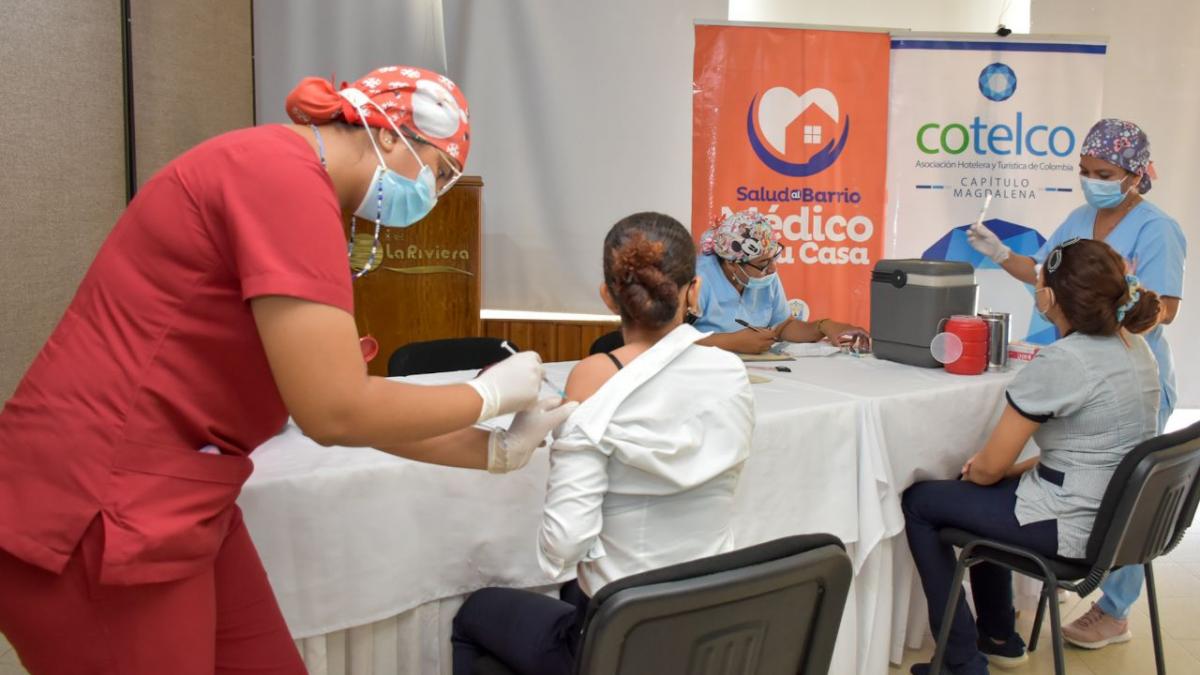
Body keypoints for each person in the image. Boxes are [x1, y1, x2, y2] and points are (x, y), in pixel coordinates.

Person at [0, 66, 575, 675]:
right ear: (390, 134)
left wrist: (494, 452)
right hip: (97, 505)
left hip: (185, 491)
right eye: (437, 172)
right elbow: (334, 410)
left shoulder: (298, 186)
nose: (431, 195)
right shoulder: (280, 177)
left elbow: (345, 404)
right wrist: (484, 395)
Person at [450, 212, 755, 675]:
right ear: (694, 290)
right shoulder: (730, 372)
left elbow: (563, 548)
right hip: (709, 619)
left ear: (608, 295)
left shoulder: (594, 377)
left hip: (622, 637)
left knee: (476, 613)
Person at [967, 118, 1186, 648]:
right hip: (1079, 368)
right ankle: (1063, 558)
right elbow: (1048, 273)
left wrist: (1108, 322)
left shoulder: (1157, 229)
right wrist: (1000, 254)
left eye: (1104, 173)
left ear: (1135, 173)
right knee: (1076, 472)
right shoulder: (1080, 217)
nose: (1092, 181)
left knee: (1123, 493)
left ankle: (1114, 610)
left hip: (1129, 373)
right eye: (1084, 170)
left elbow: (1166, 308)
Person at [903, 238, 1162, 675]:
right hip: (1124, 522)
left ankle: (960, 660)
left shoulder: (1065, 360)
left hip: (1076, 528)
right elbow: (1088, 452)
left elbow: (988, 470)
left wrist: (986, 472)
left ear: (1050, 298)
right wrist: (1007, 472)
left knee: (921, 502)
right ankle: (998, 636)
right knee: (992, 495)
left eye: (1040, 281)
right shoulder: (1135, 347)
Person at [693, 209, 869, 354]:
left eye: (774, 258)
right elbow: (676, 340)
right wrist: (733, 342)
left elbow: (784, 326)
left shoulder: (764, 276)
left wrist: (823, 326)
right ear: (731, 263)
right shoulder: (698, 278)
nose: (772, 269)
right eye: (763, 263)